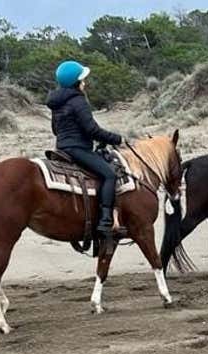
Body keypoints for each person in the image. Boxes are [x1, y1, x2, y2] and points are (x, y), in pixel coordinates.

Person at [47, 60, 125, 238]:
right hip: (78, 149)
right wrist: (117, 139)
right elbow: (92, 130)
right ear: (76, 82)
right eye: (82, 80)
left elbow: (55, 130)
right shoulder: (78, 100)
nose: (85, 83)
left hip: (62, 148)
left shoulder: (56, 102)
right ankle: (106, 219)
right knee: (109, 175)